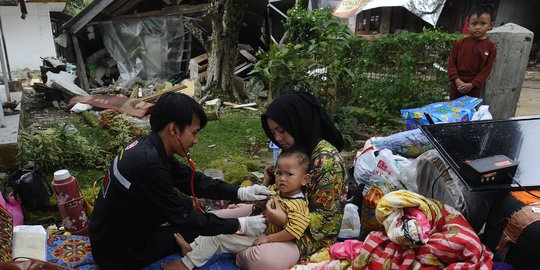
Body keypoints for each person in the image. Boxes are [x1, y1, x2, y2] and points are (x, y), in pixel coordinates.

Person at [89, 92, 275, 269]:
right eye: (193, 133)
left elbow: (194, 181)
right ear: (173, 129)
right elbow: (185, 219)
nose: (196, 140)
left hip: (109, 235)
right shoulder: (149, 164)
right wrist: (240, 224)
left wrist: (240, 192)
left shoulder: (149, 148)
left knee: (186, 207)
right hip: (118, 255)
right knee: (192, 225)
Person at [232, 91, 348, 269]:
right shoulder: (293, 148)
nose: (277, 138)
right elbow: (278, 191)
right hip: (274, 214)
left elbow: (327, 222)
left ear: (298, 122)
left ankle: (237, 246)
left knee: (260, 259)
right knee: (219, 217)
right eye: (273, 132)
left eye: (282, 131)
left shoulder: (326, 161)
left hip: (305, 234)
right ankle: (237, 242)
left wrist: (285, 219)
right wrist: (266, 188)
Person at [163, 149, 311, 270]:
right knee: (214, 224)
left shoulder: (299, 205)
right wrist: (266, 181)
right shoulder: (278, 190)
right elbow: (262, 195)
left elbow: (293, 232)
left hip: (263, 234)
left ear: (304, 179)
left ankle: (186, 264)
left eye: (289, 174)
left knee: (218, 236)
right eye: (279, 173)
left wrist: (267, 239)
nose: (282, 178)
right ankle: (192, 248)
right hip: (254, 225)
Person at [448, 6, 497, 100]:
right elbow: (451, 62)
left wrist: (472, 84)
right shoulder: (460, 43)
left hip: (474, 87)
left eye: (483, 24)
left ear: (491, 25)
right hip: (457, 84)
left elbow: (487, 69)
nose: (477, 27)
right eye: (474, 24)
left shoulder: (491, 47)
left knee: (470, 110)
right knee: (452, 109)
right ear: (468, 25)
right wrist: (457, 80)